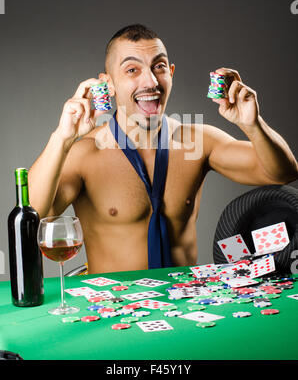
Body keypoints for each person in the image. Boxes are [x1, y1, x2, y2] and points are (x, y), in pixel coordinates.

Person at [28, 24, 298, 274]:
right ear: (107, 83)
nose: (150, 82)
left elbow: (281, 173)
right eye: (132, 70)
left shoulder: (199, 140)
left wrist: (252, 125)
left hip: (187, 307)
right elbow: (32, 216)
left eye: (158, 67)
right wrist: (62, 137)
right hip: (115, 310)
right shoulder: (86, 153)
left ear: (170, 73)